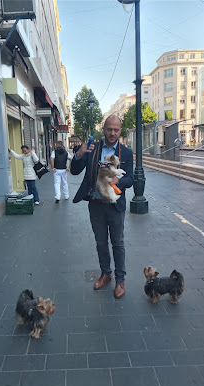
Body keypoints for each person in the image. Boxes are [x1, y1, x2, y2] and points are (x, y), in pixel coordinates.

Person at [70, 115, 133, 299]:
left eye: (116, 130)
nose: (112, 133)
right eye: (109, 129)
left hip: (115, 205)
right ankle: (106, 273)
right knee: (100, 243)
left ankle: (120, 279)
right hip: (96, 204)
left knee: (118, 243)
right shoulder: (92, 149)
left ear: (120, 131)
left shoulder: (126, 153)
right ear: (103, 129)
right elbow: (74, 170)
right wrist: (80, 153)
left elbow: (130, 178)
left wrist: (117, 181)